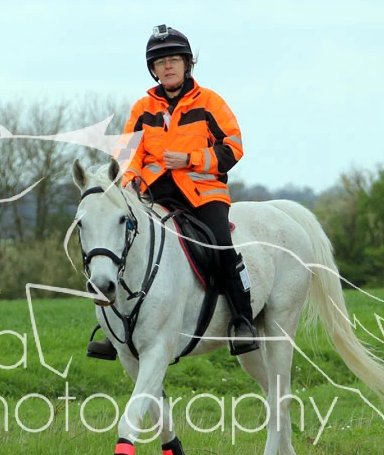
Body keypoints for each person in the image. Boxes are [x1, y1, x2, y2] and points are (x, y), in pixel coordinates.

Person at [87, 24, 259, 359]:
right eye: (160, 62)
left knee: (221, 245)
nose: (167, 66)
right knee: (120, 242)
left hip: (202, 193)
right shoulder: (142, 108)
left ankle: (242, 319)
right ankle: (113, 329)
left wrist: (190, 158)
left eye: (174, 60)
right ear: (153, 69)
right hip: (153, 194)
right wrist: (130, 180)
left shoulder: (210, 102)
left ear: (187, 63)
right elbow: (128, 154)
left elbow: (233, 147)